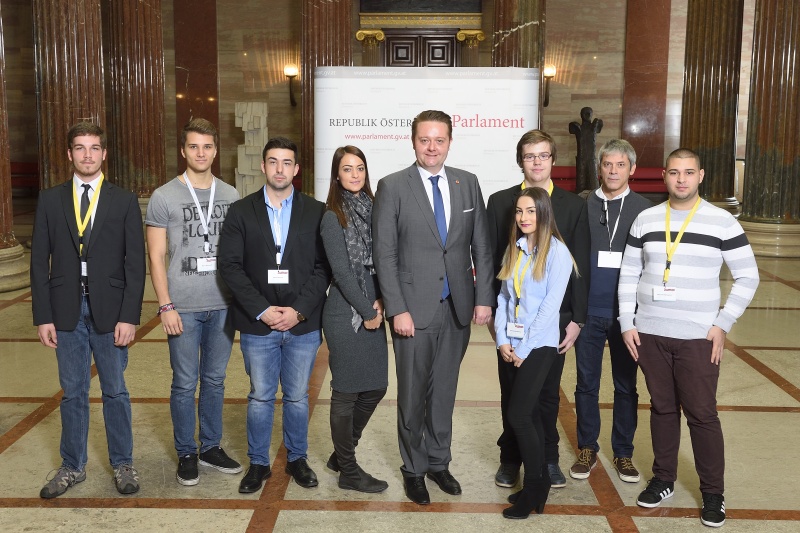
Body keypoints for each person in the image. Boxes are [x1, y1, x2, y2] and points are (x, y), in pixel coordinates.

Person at [619, 148, 759, 528]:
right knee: (662, 408)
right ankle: (663, 479)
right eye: (675, 173)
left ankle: (714, 493)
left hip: (698, 337)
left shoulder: (722, 222)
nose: (681, 179)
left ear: (700, 177)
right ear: (664, 175)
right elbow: (629, 273)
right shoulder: (646, 219)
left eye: (689, 173)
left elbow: (749, 276)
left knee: (701, 414)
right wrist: (626, 322)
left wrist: (723, 322)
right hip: (650, 333)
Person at [372, 110, 494, 505]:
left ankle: (440, 463)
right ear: (413, 141)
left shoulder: (467, 183)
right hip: (413, 309)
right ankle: (414, 469)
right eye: (425, 139)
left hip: (456, 306)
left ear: (449, 142)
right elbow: (384, 254)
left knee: (444, 391)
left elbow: (482, 248)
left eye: (439, 140)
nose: (431, 147)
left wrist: (482, 299)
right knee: (412, 394)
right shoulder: (393, 186)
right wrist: (396, 309)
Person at [31, 122, 145, 498]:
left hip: (110, 311)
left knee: (115, 390)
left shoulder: (123, 199)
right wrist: (42, 316)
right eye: (80, 148)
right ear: (69, 154)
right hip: (65, 310)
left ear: (104, 154)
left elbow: (134, 263)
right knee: (73, 392)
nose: (87, 155)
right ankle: (72, 467)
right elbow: (38, 262)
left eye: (94, 148)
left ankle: (123, 463)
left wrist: (130, 316)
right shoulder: (50, 199)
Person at [218, 137, 329, 494]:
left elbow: (323, 267)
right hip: (257, 323)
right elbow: (231, 267)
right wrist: (264, 311)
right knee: (261, 396)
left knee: (297, 397)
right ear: (263, 167)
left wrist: (297, 311)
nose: (279, 168)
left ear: (296, 170)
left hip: (302, 323)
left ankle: (297, 459)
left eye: (287, 162)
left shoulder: (316, 211)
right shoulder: (241, 211)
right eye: (273, 161)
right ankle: (259, 464)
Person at [486, 129, 589, 489]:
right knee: (511, 391)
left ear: (552, 160)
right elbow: (492, 263)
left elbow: (582, 267)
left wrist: (578, 318)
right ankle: (510, 458)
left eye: (543, 155)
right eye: (530, 156)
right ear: (521, 161)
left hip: (553, 320)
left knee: (546, 394)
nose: (537, 162)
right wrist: (495, 319)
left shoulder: (574, 205)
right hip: (512, 317)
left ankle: (547, 457)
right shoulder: (501, 202)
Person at [145, 118, 242, 486]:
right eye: (193, 147)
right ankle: (186, 451)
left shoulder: (231, 195)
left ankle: (211, 447)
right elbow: (155, 256)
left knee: (215, 381)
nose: (200, 153)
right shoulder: (164, 196)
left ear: (215, 150)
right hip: (182, 308)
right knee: (185, 383)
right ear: (183, 150)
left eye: (207, 146)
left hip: (222, 306)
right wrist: (165, 305)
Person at [569, 139, 652, 482]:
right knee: (585, 383)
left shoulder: (646, 210)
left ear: (632, 169)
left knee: (625, 385)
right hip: (587, 311)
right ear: (599, 167)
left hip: (626, 315)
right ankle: (587, 447)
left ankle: (623, 453)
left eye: (621, 165)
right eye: (608, 165)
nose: (614, 171)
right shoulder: (581, 206)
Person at [494, 188, 576, 519]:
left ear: (544, 213)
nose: (524, 218)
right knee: (529, 417)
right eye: (519, 212)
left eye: (531, 211)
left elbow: (549, 309)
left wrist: (524, 348)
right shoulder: (514, 249)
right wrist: (502, 340)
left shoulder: (557, 253)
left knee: (520, 416)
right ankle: (539, 488)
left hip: (539, 346)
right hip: (513, 343)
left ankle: (533, 488)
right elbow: (503, 298)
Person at [320, 146, 389, 493]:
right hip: (344, 313)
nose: (355, 175)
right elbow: (343, 273)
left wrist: (383, 304)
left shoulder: (377, 209)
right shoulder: (332, 216)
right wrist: (367, 312)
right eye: (347, 169)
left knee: (377, 386)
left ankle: (341, 452)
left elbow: (387, 261)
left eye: (360, 168)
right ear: (337, 175)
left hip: (375, 307)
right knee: (345, 392)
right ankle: (348, 470)